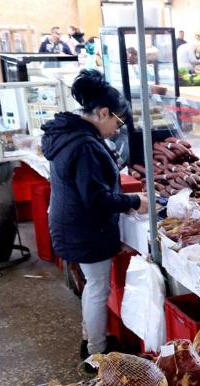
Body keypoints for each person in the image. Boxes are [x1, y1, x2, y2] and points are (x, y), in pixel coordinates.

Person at [42, 70, 148, 366]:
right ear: (103, 113)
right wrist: (133, 201)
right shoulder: (86, 145)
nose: (117, 128)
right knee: (98, 287)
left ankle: (91, 338)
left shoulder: (70, 134)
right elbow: (96, 198)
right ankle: (96, 353)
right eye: (117, 121)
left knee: (92, 285)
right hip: (85, 229)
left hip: (72, 225)